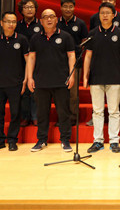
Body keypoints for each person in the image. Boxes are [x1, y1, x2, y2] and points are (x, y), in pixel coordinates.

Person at [82, 3, 120, 153]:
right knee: (97, 111)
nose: (105, 15)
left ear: (113, 15)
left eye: (108, 13)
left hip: (114, 77)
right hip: (96, 77)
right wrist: (85, 76)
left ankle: (114, 141)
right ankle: (98, 141)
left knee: (114, 111)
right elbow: (87, 56)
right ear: (99, 15)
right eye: (102, 12)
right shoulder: (92, 33)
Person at [26, 9, 75, 152]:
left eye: (51, 16)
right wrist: (30, 77)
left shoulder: (65, 36)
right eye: (45, 17)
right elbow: (31, 58)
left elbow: (71, 56)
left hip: (61, 81)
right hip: (41, 81)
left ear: (56, 19)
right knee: (42, 113)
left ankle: (65, 140)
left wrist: (71, 75)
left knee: (63, 112)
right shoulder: (35, 38)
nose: (49, 19)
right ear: (41, 21)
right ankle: (41, 140)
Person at [0, 11, 29, 152]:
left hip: (16, 83)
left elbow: (28, 61)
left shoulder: (22, 40)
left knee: (15, 113)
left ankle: (12, 140)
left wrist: (25, 80)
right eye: (8, 21)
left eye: (14, 22)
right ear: (2, 23)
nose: (11, 24)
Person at [57, 0, 88, 126]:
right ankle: (62, 118)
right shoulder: (56, 22)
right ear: (61, 7)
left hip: (75, 63)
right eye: (65, 6)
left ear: (74, 8)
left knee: (73, 93)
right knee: (59, 92)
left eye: (70, 6)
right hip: (58, 63)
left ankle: (73, 117)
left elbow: (85, 42)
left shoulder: (80, 23)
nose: (68, 9)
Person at [15, 0, 41, 127]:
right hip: (20, 62)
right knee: (23, 90)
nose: (29, 10)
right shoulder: (17, 25)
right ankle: (25, 116)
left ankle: (35, 116)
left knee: (35, 89)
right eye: (26, 7)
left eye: (32, 7)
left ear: (35, 9)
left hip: (38, 61)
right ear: (21, 10)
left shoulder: (41, 24)